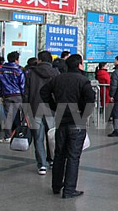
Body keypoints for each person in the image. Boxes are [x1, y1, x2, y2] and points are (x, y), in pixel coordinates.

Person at [40, 54, 94, 198]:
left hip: (61, 121)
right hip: (77, 122)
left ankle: (56, 186)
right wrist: (84, 115)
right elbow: (90, 99)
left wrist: (54, 106)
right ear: (79, 65)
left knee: (59, 154)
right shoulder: (83, 81)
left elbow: (43, 92)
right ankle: (69, 189)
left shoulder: (58, 79)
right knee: (73, 157)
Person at [24, 50, 59, 175]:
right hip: (51, 109)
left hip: (34, 108)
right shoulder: (55, 72)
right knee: (52, 135)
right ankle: (52, 160)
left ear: (39, 60)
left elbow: (26, 93)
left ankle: (42, 164)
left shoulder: (31, 73)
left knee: (38, 138)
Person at [0, 51, 25, 142]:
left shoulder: (1, 70)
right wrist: (24, 95)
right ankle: (21, 133)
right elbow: (22, 84)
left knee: (8, 116)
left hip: (7, 96)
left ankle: (8, 136)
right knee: (22, 115)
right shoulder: (19, 70)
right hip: (18, 95)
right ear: (16, 60)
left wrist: (0, 94)